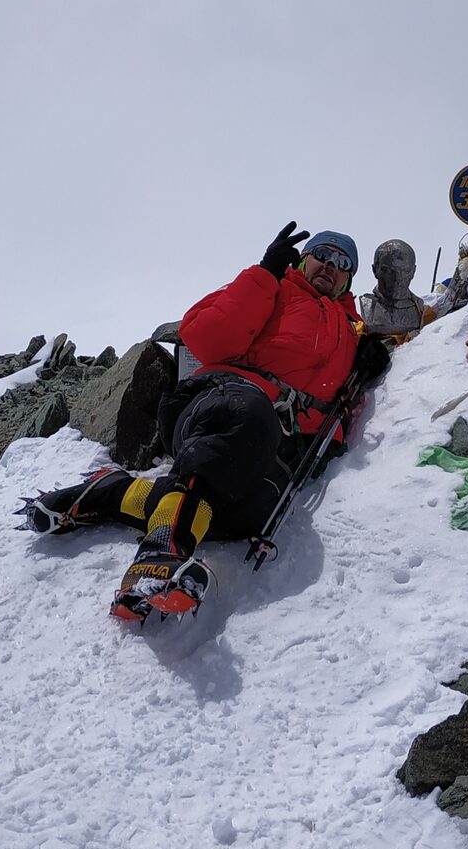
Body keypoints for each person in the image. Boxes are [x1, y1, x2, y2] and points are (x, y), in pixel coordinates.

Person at [23, 221, 390, 621]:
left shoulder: (350, 328)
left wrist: (365, 359)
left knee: (252, 512)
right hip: (222, 402)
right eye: (322, 254)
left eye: (342, 262)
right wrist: (264, 274)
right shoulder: (276, 287)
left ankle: (113, 493)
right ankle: (160, 555)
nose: (330, 265)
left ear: (348, 279)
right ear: (303, 259)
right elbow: (206, 338)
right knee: (248, 419)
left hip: (280, 442)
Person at [359, 239, 432, 339]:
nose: (397, 278)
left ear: (413, 272)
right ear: (375, 270)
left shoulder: (421, 310)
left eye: (404, 271)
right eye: (388, 271)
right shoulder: (367, 305)